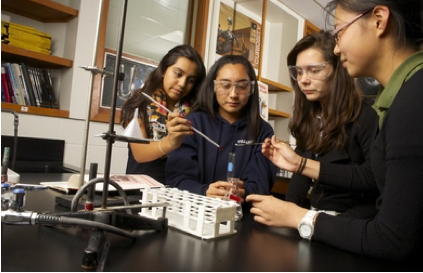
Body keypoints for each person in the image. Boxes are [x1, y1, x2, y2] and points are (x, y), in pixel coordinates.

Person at [247, 0, 423, 260]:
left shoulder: (410, 100)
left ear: (379, 20)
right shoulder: (400, 97)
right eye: (299, 72)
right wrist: (290, 211)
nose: (338, 48)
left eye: (340, 32)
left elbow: (393, 236)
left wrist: (299, 217)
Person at [266, 31, 379, 218]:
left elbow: (372, 177)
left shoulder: (365, 115)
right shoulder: (309, 117)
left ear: (337, 70)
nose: (303, 80)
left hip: (353, 224)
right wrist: (286, 214)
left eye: (314, 70)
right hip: (315, 217)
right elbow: (300, 178)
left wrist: (302, 164)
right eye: (299, 72)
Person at [166, 55, 276, 200]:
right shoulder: (193, 123)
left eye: (242, 86)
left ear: (251, 89)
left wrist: (244, 191)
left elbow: (261, 184)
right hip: (196, 213)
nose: (233, 94)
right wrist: (204, 191)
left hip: (242, 215)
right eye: (225, 85)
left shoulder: (263, 131)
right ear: (214, 86)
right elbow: (176, 178)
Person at [121, 45, 206, 182]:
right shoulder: (139, 103)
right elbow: (139, 154)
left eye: (191, 80)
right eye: (178, 74)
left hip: (180, 189)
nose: (182, 84)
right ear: (163, 70)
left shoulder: (195, 114)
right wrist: (170, 142)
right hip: (141, 189)